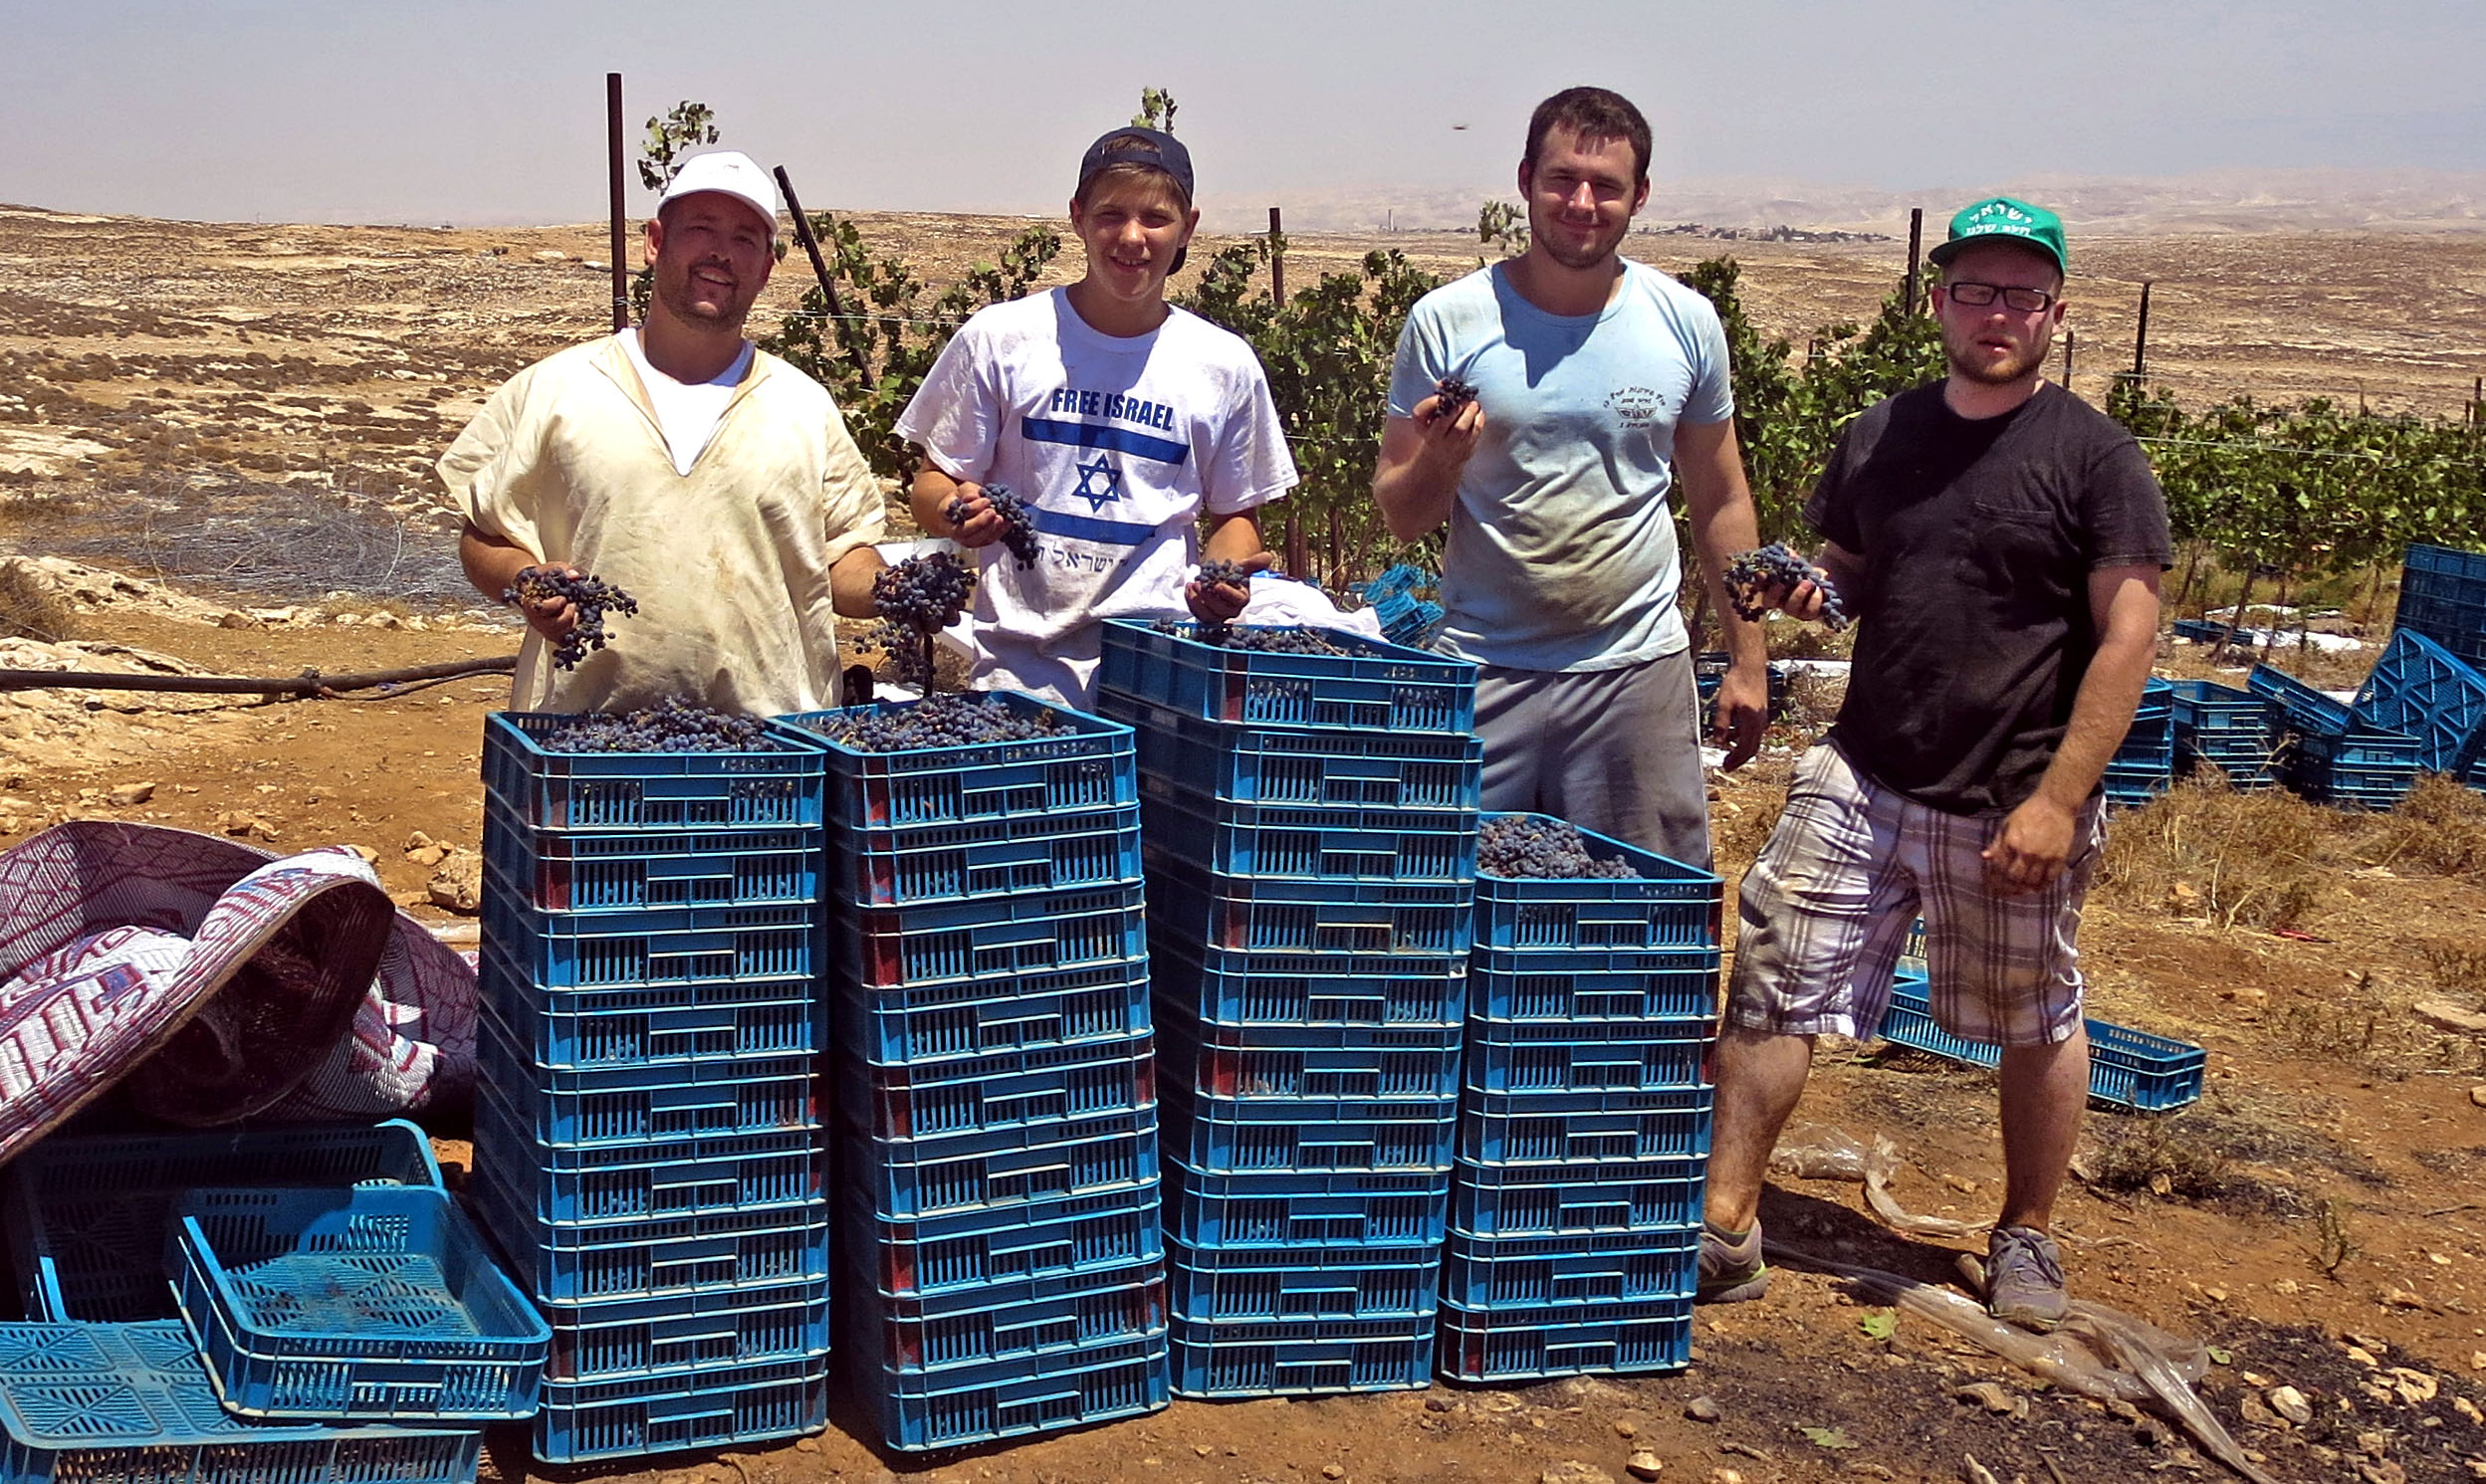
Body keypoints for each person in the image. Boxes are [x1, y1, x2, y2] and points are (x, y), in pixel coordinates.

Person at [1698, 195, 2171, 1331]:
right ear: (1937, 301)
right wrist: (1811, 592)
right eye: (1976, 290)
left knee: (2036, 1014)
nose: (1995, 311)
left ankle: (2027, 1237)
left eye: (2020, 293)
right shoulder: (1881, 432)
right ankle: (1724, 1225)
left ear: (2054, 310)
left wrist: (2060, 798)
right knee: (1773, 973)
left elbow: (2129, 636)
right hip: (1863, 768)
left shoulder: (2096, 459)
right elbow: (1848, 571)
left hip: (2012, 794)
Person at [1371, 86, 1772, 867]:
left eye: (1607, 186)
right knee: (1449, 919)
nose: (1581, 202)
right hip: (1483, 672)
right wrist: (1441, 460)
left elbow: (1720, 497)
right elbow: (1400, 514)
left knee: (1639, 922)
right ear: (1524, 180)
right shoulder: (1448, 321)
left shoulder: (1682, 323)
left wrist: (1748, 660)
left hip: (1634, 675)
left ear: (1640, 196)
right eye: (1561, 179)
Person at [439, 150, 888, 717]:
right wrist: (527, 580)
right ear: (655, 242)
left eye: (746, 238)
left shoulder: (804, 406)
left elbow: (839, 559)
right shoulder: (556, 389)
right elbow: (484, 536)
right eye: (701, 228)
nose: (722, 252)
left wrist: (892, 590)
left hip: (773, 751)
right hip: (585, 744)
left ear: (767, 267)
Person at [895, 126, 1297, 707]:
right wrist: (956, 513)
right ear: (1078, 216)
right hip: (1016, 677)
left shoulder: (1223, 365)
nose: (1131, 237)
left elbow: (1237, 518)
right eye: (1110, 215)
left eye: (1155, 218)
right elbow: (931, 484)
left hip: (1154, 675)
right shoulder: (1001, 339)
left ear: (1188, 226)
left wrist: (1220, 577)